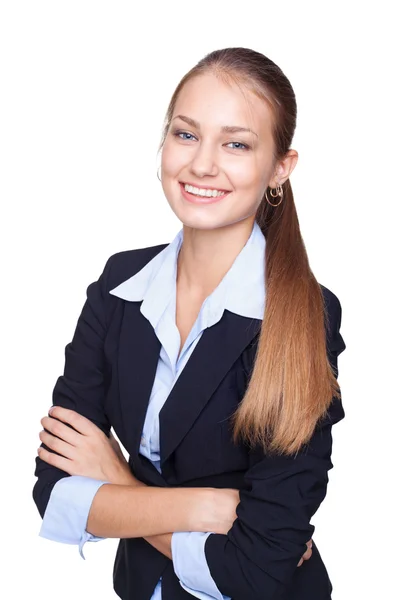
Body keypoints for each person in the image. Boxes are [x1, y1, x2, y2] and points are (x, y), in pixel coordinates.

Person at [33, 47, 346, 600]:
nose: (202, 164)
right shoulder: (118, 285)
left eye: (236, 144)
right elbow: (55, 492)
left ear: (280, 168)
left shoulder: (303, 316)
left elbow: (258, 569)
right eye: (185, 135)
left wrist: (120, 485)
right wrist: (208, 508)